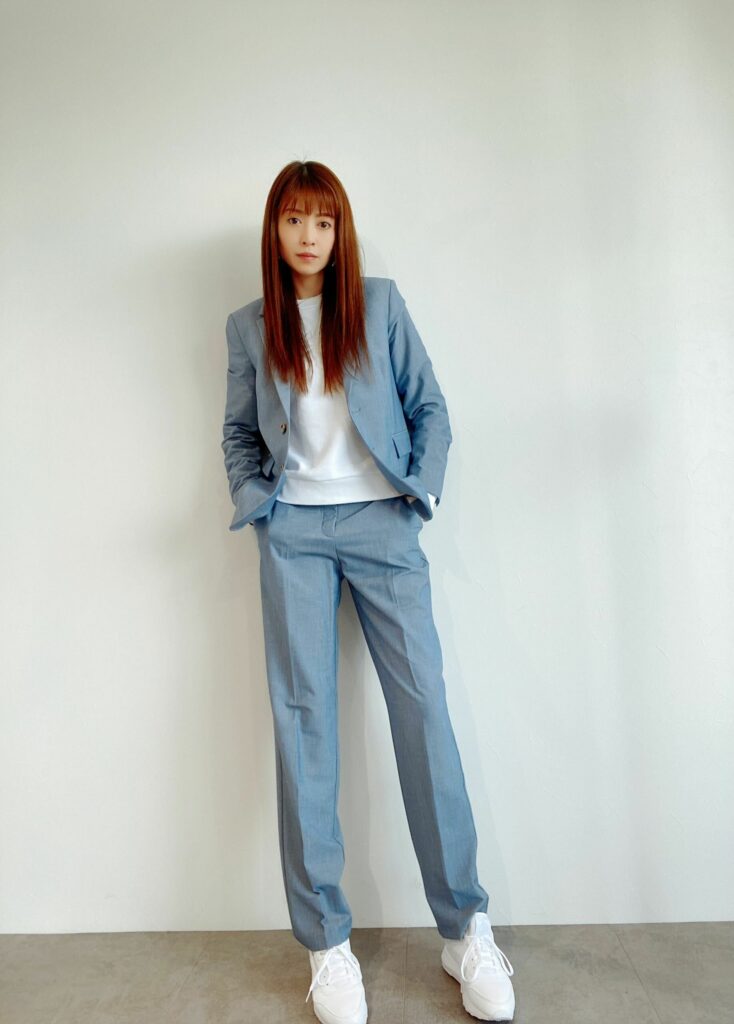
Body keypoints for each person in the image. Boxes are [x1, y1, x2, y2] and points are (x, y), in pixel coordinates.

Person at [221, 160, 515, 1023]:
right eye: (294, 220)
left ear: (340, 231)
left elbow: (431, 408)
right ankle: (327, 946)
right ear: (274, 231)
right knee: (304, 725)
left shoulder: (378, 306)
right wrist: (260, 505)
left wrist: (419, 494)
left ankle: (465, 928)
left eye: (324, 221)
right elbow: (238, 432)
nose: (309, 236)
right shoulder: (249, 327)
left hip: (383, 525)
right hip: (294, 536)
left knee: (423, 714)